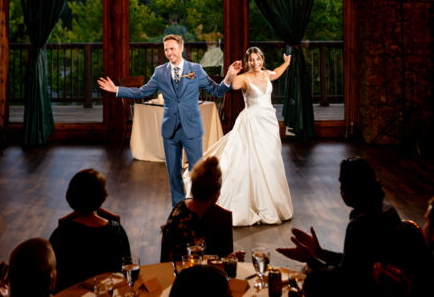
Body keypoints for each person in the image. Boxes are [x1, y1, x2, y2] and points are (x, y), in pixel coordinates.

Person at [98, 34, 238, 206]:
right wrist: (117, 90)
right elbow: (142, 92)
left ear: (181, 48)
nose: (169, 52)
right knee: (173, 173)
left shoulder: (196, 69)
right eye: (166, 49)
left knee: (197, 172)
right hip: (169, 130)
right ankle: (178, 210)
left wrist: (229, 77)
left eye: (172, 48)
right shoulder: (160, 72)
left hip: (191, 128)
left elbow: (216, 91)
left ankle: (198, 207)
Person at [187, 46, 293, 226]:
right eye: (251, 60)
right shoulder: (244, 78)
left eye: (258, 59)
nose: (255, 63)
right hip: (252, 121)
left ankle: (272, 200)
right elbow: (233, 85)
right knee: (250, 159)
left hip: (268, 122)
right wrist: (231, 73)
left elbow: (276, 72)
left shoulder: (267, 74)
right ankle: (250, 201)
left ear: (262, 60)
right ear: (247, 62)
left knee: (270, 159)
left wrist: (287, 62)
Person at [278, 157, 408, 292]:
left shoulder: (361, 224)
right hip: (383, 284)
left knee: (313, 281)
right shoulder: (389, 210)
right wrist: (319, 252)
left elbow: (345, 278)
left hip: (371, 288)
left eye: (343, 184)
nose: (341, 189)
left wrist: (310, 260)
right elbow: (355, 263)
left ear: (354, 188)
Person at [49, 168, 131, 292]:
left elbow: (55, 278)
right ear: (102, 197)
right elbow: (126, 270)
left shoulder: (60, 234)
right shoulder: (116, 231)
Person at [161, 155, 234, 261]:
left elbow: (166, 264)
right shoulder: (222, 218)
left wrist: (231, 258)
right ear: (216, 194)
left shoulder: (177, 216)